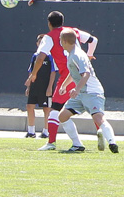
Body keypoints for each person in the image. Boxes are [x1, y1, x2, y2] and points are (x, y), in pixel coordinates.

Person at [31, 10, 98, 149]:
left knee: (55, 109)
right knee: (94, 108)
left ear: (49, 23)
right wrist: (90, 55)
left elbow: (41, 57)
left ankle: (51, 142)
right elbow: (93, 40)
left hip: (68, 75)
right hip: (84, 73)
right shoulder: (72, 31)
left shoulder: (49, 37)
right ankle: (104, 136)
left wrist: (34, 73)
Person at [51, 27, 118, 153]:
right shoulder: (71, 54)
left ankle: (112, 143)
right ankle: (77, 145)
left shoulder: (77, 55)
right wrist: (64, 86)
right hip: (81, 93)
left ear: (64, 41)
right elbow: (73, 73)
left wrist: (76, 89)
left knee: (99, 119)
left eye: (60, 40)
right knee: (63, 116)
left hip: (92, 92)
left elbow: (86, 74)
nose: (59, 42)